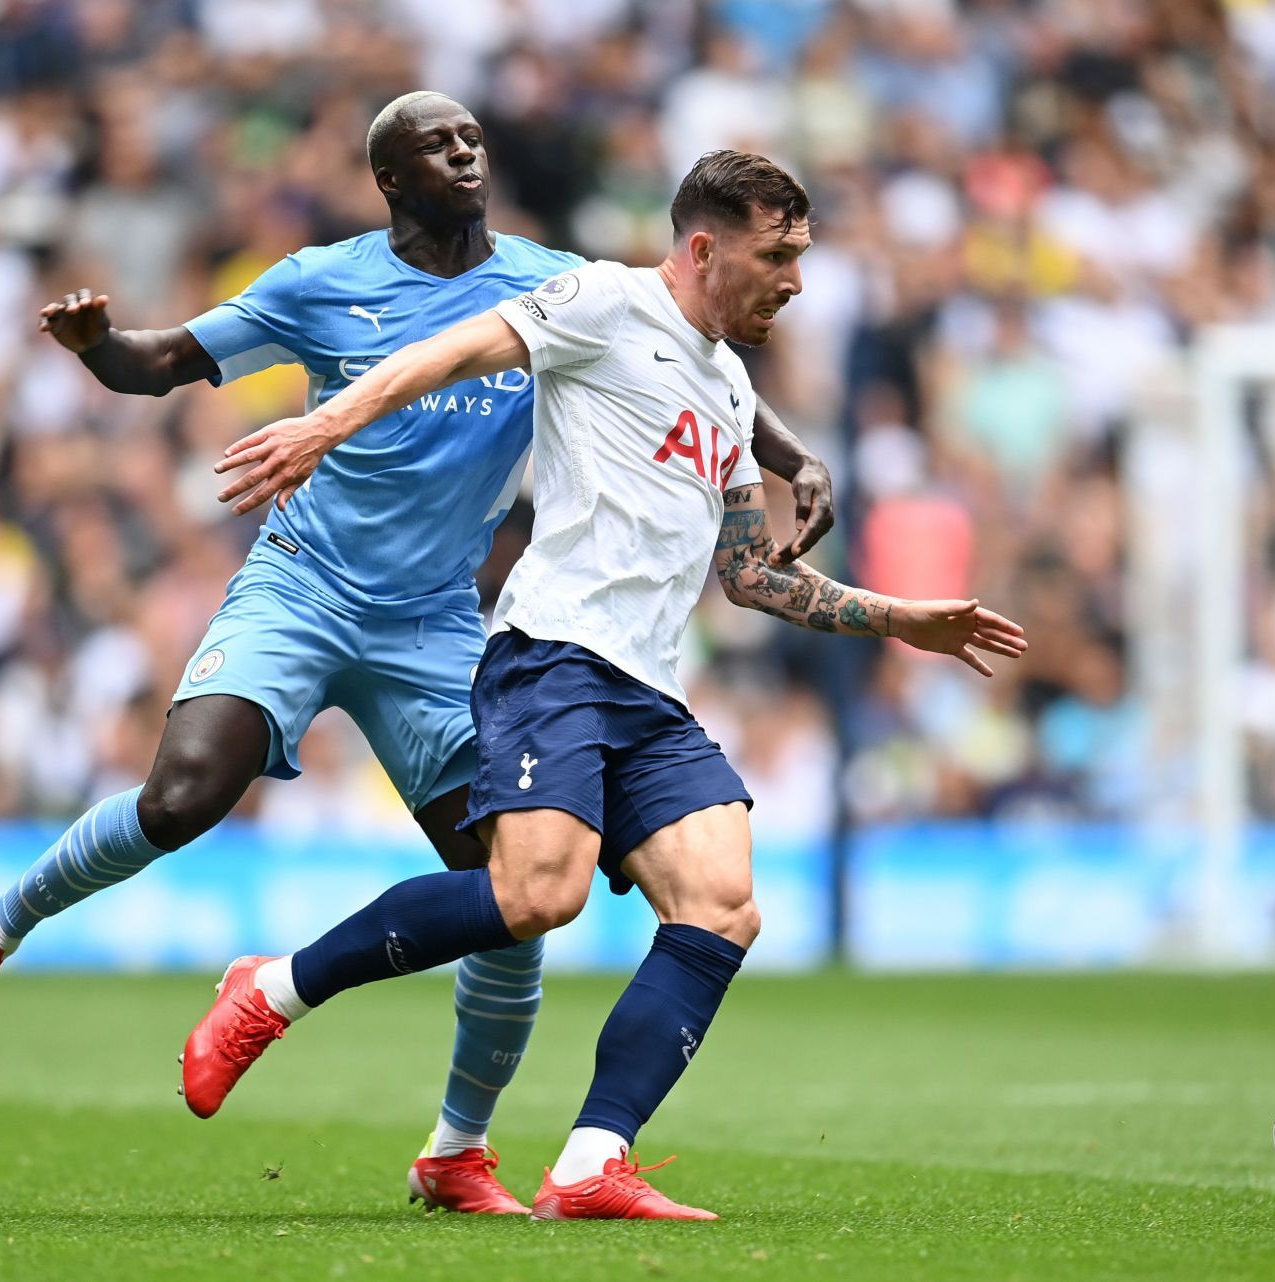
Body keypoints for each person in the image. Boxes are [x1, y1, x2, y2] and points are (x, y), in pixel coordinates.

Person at [0, 94, 836, 1215]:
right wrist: (101, 346)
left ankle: (457, 1149)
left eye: (476, 137)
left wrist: (789, 454)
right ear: (391, 179)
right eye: (440, 145)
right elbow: (159, 365)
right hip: (304, 585)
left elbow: (688, 358)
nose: (469, 153)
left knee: (512, 880)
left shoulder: (551, 276)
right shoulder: (316, 281)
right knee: (185, 793)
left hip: (436, 619)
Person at [181, 151, 1026, 1220]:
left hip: (646, 685)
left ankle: (590, 1160)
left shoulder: (727, 384)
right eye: (778, 256)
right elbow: (453, 349)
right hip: (554, 654)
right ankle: (275, 986)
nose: (796, 281)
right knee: (539, 894)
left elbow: (752, 575)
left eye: (803, 258)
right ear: (706, 246)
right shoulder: (603, 302)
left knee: (722, 904)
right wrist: (327, 423)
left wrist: (902, 618)